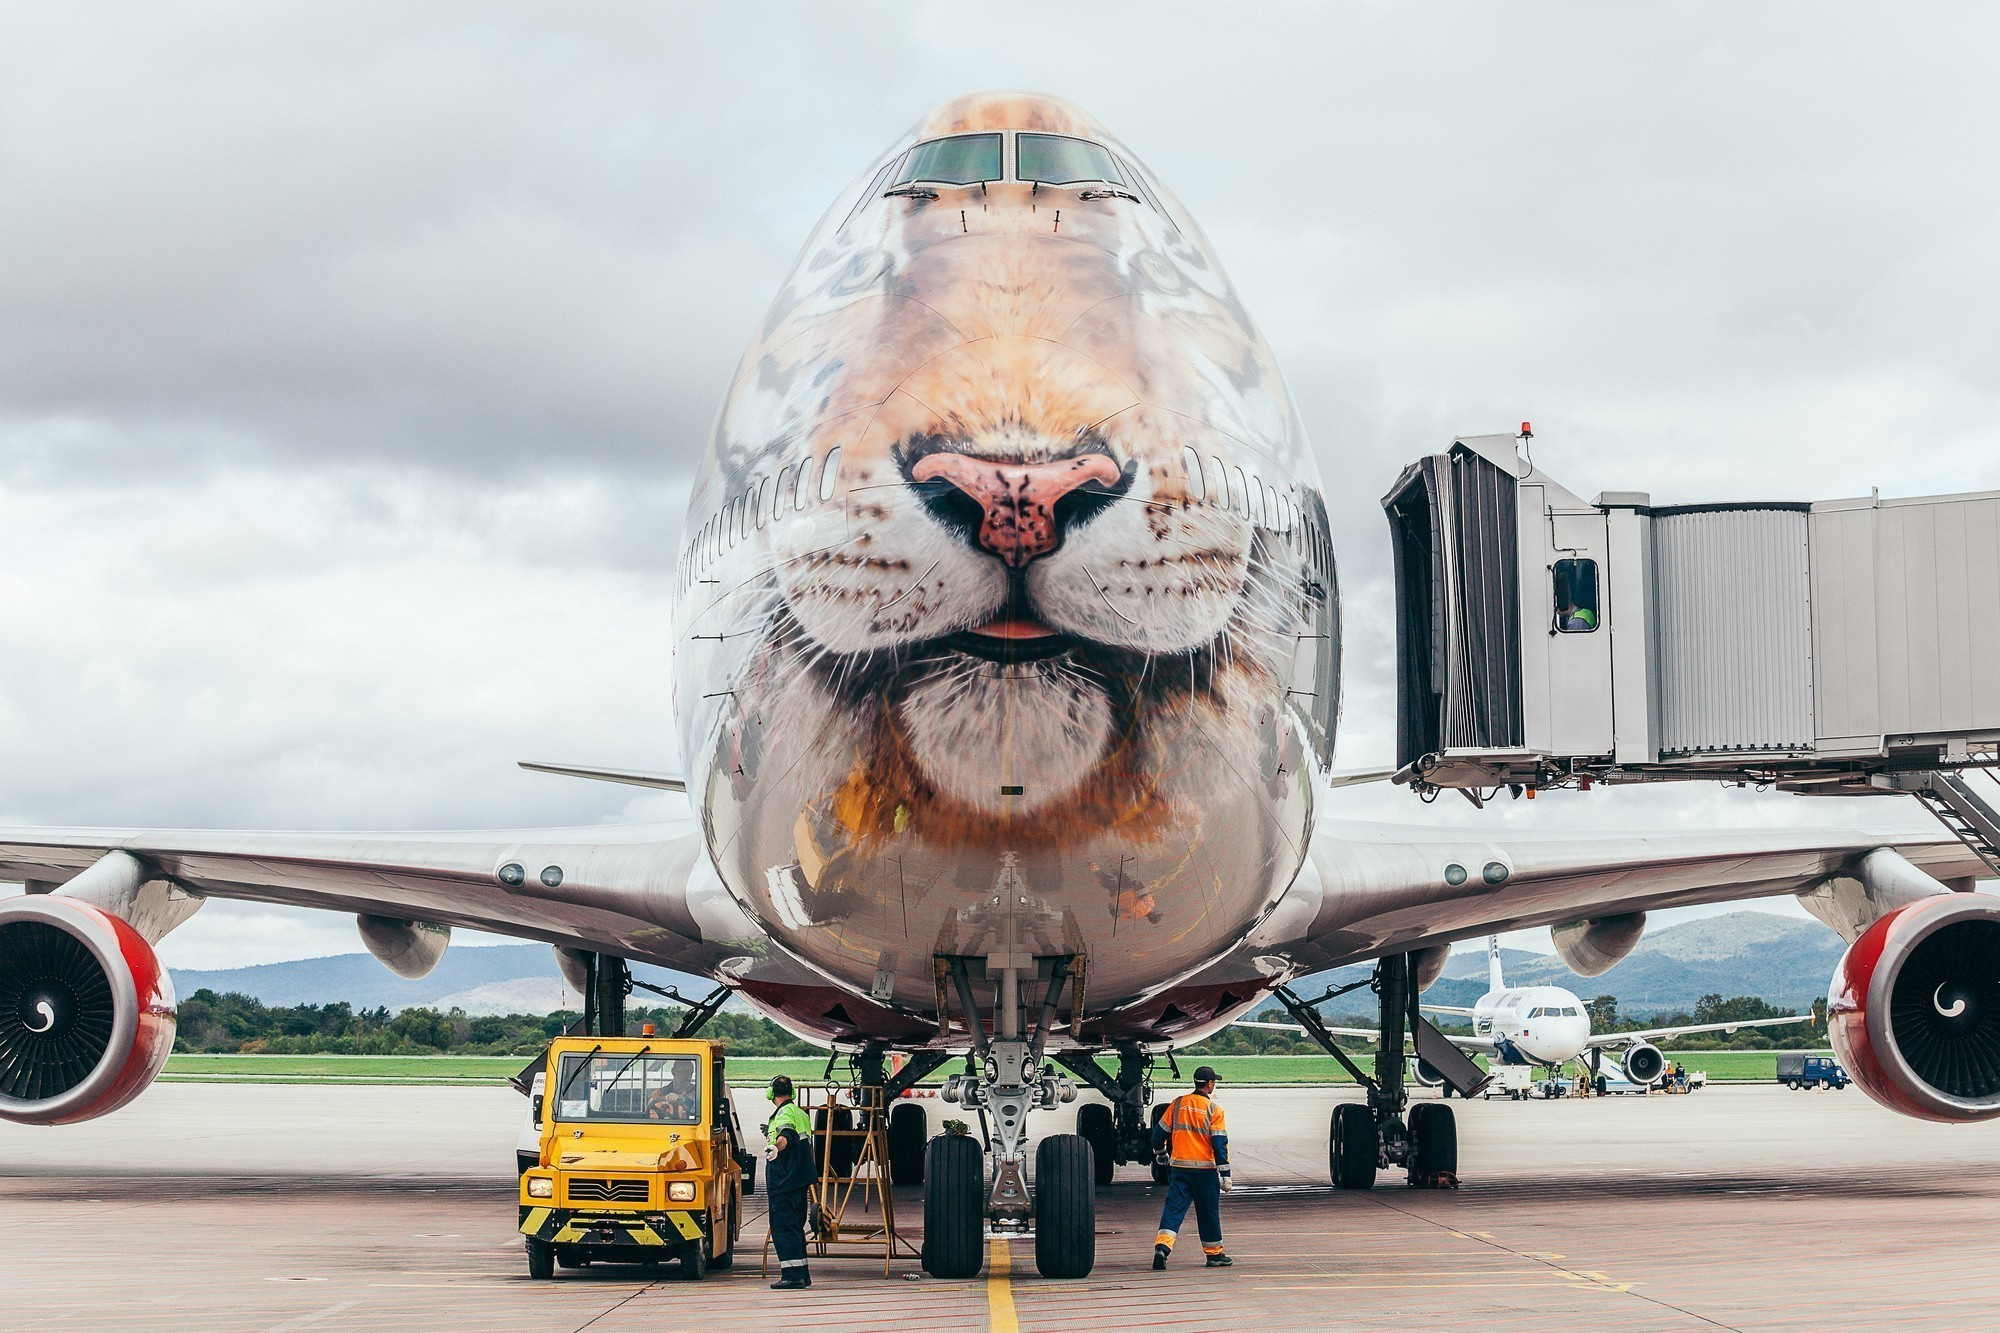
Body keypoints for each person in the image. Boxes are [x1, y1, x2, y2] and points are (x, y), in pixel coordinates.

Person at [1151, 1065, 1232, 1269]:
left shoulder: (1178, 1104)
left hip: (1179, 1169)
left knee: (1173, 1209)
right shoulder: (1214, 1110)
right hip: (1205, 1172)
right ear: (1210, 1084)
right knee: (1208, 1213)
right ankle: (1214, 1255)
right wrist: (1226, 1175)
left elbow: (1158, 1135)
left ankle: (1162, 1247)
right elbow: (1219, 1144)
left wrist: (1161, 1154)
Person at [763, 1074, 815, 1290]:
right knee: (795, 1228)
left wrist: (776, 1146)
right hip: (799, 1180)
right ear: (792, 1092)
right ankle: (802, 1274)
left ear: (770, 1093)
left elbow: (787, 1134)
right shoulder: (800, 1113)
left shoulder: (784, 1113)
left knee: (783, 1228)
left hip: (784, 1180)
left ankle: (792, 1276)